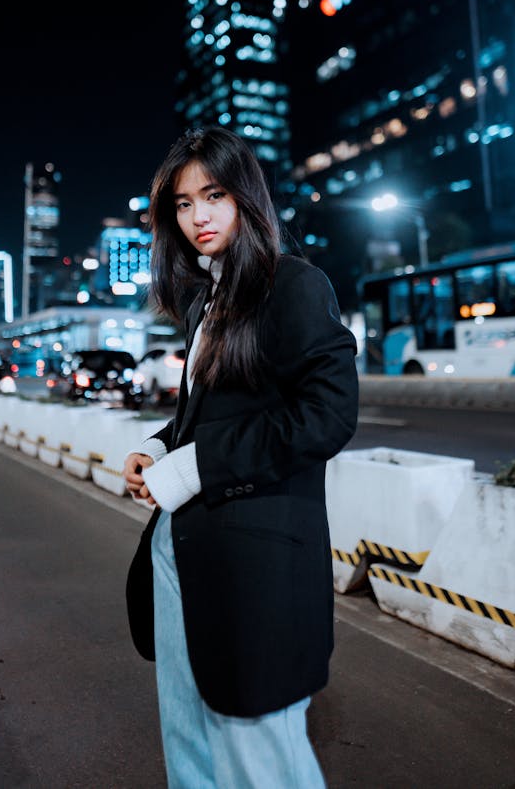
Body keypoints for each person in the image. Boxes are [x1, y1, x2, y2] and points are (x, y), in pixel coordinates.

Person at [123, 126, 359, 788]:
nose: (198, 215)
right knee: (188, 734)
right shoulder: (204, 298)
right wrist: (156, 446)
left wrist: (193, 465)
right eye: (183, 203)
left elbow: (328, 416)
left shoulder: (295, 286)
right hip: (183, 549)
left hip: (259, 563)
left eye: (214, 194)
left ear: (246, 197)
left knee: (259, 754)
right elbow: (208, 413)